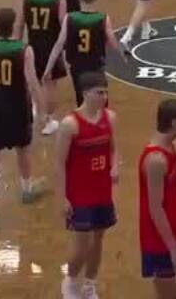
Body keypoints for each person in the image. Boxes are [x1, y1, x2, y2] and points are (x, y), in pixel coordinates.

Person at [0, 7, 45, 229]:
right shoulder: (24, 50)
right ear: (14, 25)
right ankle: (26, 189)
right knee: (23, 150)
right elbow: (32, 81)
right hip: (17, 107)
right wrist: (42, 109)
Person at [57, 72, 118, 299]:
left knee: (98, 240)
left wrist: (115, 166)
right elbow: (59, 163)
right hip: (79, 193)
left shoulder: (110, 118)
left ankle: (90, 284)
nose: (103, 97)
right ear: (85, 94)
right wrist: (63, 197)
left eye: (105, 92)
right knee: (82, 245)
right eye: (99, 93)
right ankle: (71, 280)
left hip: (102, 190)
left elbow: (113, 148)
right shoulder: (69, 124)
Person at [139, 98, 176, 298]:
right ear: (174, 123)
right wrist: (173, 248)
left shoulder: (169, 147)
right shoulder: (156, 160)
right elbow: (155, 208)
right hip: (160, 240)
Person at [48, 0, 122, 107]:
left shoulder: (69, 18)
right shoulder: (103, 18)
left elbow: (59, 44)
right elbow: (113, 44)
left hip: (77, 68)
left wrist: (49, 67)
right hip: (96, 66)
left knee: (82, 102)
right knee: (101, 102)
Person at [16, 0, 68, 136]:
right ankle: (49, 119)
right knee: (50, 84)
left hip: (33, 45)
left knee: (34, 82)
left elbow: (20, 23)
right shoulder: (59, 0)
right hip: (51, 47)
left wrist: (17, 44)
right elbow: (64, 26)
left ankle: (36, 111)